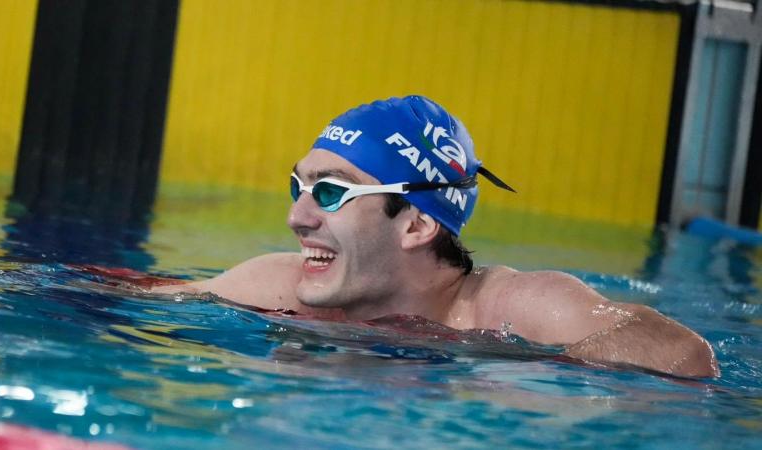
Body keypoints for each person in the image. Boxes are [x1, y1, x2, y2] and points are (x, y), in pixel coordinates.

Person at [153, 95, 719, 378]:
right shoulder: (279, 286)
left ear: (418, 224)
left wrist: (534, 371)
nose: (297, 217)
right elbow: (122, 299)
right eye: (297, 186)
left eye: (330, 192)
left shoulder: (505, 307)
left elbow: (684, 353)